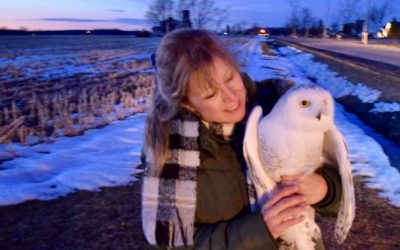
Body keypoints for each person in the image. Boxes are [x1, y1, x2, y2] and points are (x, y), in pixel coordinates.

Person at [141, 29, 342, 249]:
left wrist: (325, 189)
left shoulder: (278, 105)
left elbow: (343, 190)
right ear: (187, 103)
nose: (231, 97)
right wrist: (259, 230)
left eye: (230, 77)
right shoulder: (172, 149)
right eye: (210, 94)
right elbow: (173, 243)